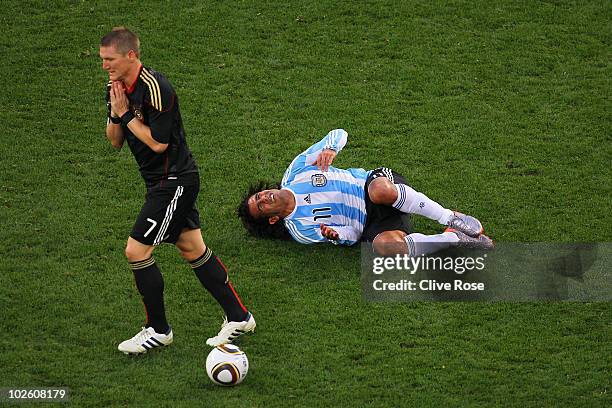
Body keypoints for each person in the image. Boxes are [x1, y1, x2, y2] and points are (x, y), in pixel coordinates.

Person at [99, 27, 254, 354]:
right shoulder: (116, 88)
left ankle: (158, 329)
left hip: (175, 181)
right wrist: (116, 111)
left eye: (109, 59)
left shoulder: (157, 88)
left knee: (136, 251)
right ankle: (239, 316)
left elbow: (159, 143)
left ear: (131, 55)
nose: (104, 66)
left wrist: (126, 114)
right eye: (102, 60)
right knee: (191, 247)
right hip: (158, 182)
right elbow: (114, 141)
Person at [237, 128, 494, 256]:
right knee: (385, 247)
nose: (264, 197)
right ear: (272, 219)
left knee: (379, 191)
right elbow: (354, 235)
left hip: (375, 184)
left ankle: (450, 217)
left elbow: (338, 133)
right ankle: (455, 239)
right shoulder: (301, 230)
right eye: (261, 205)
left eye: (259, 195)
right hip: (372, 222)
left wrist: (331, 149)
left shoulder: (295, 173)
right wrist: (336, 235)